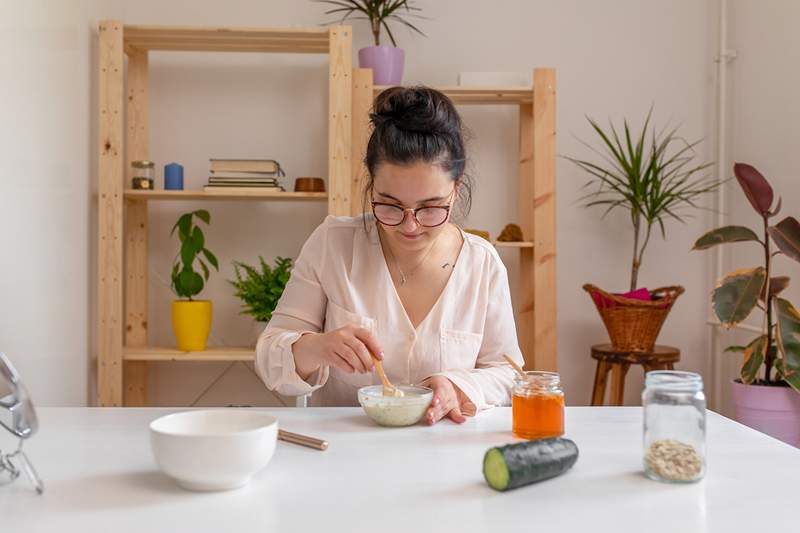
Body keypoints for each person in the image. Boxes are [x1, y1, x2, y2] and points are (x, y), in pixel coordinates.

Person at [255, 86, 524, 425]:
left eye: (430, 208)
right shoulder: (332, 244)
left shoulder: (482, 264)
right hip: (344, 455)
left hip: (448, 457)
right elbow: (268, 357)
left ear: (456, 188)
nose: (410, 226)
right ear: (371, 185)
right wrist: (316, 347)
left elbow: (508, 373)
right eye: (390, 205)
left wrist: (457, 386)